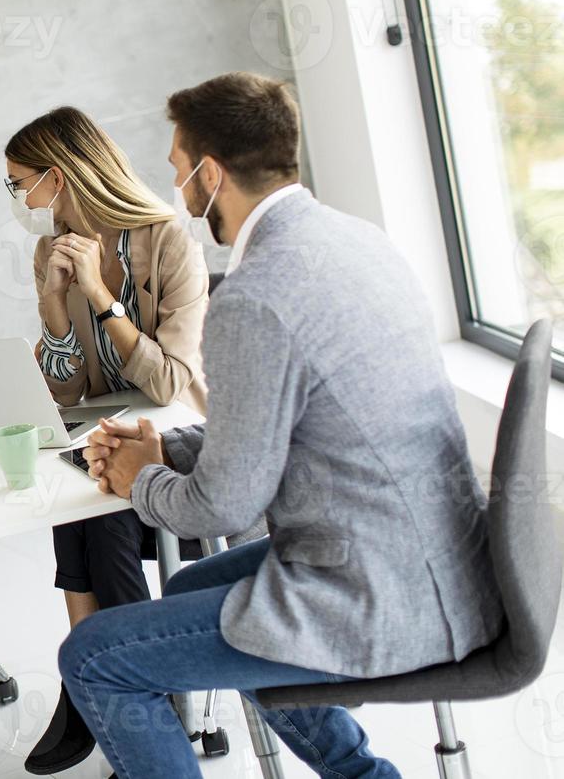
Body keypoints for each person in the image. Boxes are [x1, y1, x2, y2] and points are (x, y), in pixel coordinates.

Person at [68, 72, 503, 778]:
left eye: (179, 172)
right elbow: (295, 426)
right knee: (186, 592)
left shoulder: (255, 298)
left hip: (376, 596)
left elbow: (222, 507)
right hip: (434, 562)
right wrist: (168, 449)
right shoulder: (359, 242)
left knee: (92, 657)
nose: (178, 192)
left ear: (211, 174)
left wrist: (139, 479)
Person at [3, 107, 209, 774]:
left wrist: (99, 295)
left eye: (19, 183)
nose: (16, 199)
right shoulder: (48, 251)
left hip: (177, 433)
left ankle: (106, 690)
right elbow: (62, 394)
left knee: (103, 500)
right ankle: (123, 690)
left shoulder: (166, 239)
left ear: (57, 178)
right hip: (101, 431)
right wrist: (54, 308)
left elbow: (172, 383)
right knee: (79, 482)